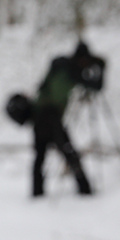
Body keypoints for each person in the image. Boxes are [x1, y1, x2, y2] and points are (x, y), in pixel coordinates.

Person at [30, 40, 105, 197]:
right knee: (69, 153)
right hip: (50, 116)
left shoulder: (61, 65)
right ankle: (85, 190)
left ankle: (37, 193)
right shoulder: (71, 70)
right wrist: (101, 68)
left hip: (38, 115)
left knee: (40, 156)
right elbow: (96, 86)